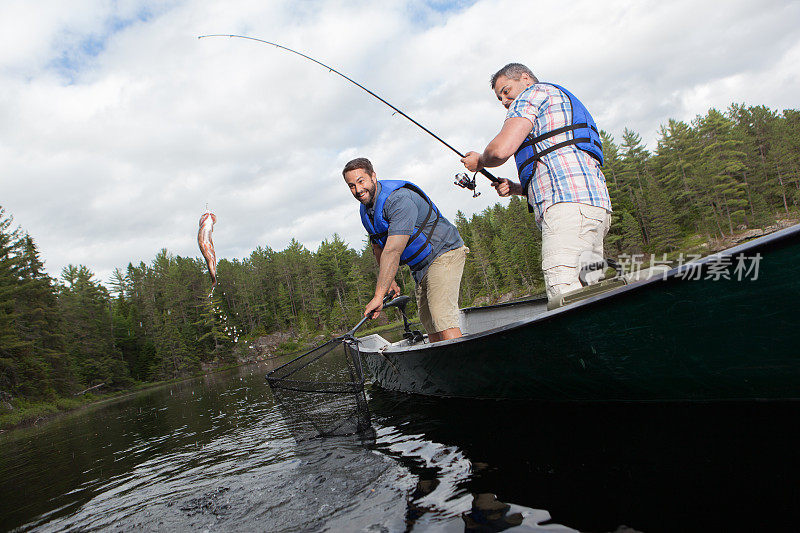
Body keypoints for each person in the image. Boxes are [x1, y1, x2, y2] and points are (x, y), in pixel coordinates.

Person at [461, 63, 612, 300]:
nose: (504, 100)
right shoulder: (553, 100)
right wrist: (517, 188)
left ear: (525, 79)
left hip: (568, 209)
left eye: (506, 90)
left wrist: (480, 161)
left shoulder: (531, 94)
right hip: (591, 208)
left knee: (564, 292)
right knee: (591, 293)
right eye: (499, 97)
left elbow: (500, 150)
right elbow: (556, 165)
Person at [342, 157, 468, 342]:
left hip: (444, 252)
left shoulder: (398, 200)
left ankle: (463, 365)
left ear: (373, 177)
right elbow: (378, 246)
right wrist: (390, 280)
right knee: (429, 322)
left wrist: (379, 296)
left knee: (442, 317)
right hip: (421, 267)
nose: (358, 190)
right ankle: (443, 366)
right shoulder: (366, 210)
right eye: (351, 185)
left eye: (361, 181)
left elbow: (392, 251)